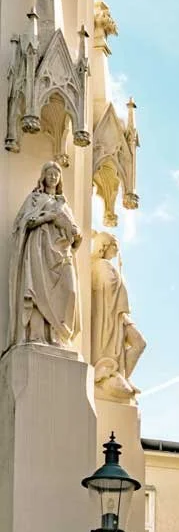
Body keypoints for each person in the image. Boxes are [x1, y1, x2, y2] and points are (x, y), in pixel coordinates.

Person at [7, 161, 81, 348]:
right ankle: (37, 336)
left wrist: (75, 233)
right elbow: (24, 223)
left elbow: (73, 233)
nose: (53, 177)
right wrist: (48, 218)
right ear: (43, 177)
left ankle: (60, 335)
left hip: (62, 252)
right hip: (39, 248)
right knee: (38, 290)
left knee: (70, 291)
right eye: (50, 173)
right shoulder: (34, 198)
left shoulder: (63, 203)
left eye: (57, 174)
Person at [90, 231, 145, 397]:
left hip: (118, 313)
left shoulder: (106, 265)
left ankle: (123, 376)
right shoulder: (101, 265)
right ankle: (115, 374)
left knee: (140, 343)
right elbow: (107, 286)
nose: (116, 250)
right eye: (114, 246)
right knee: (139, 343)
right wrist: (119, 280)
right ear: (104, 247)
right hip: (110, 313)